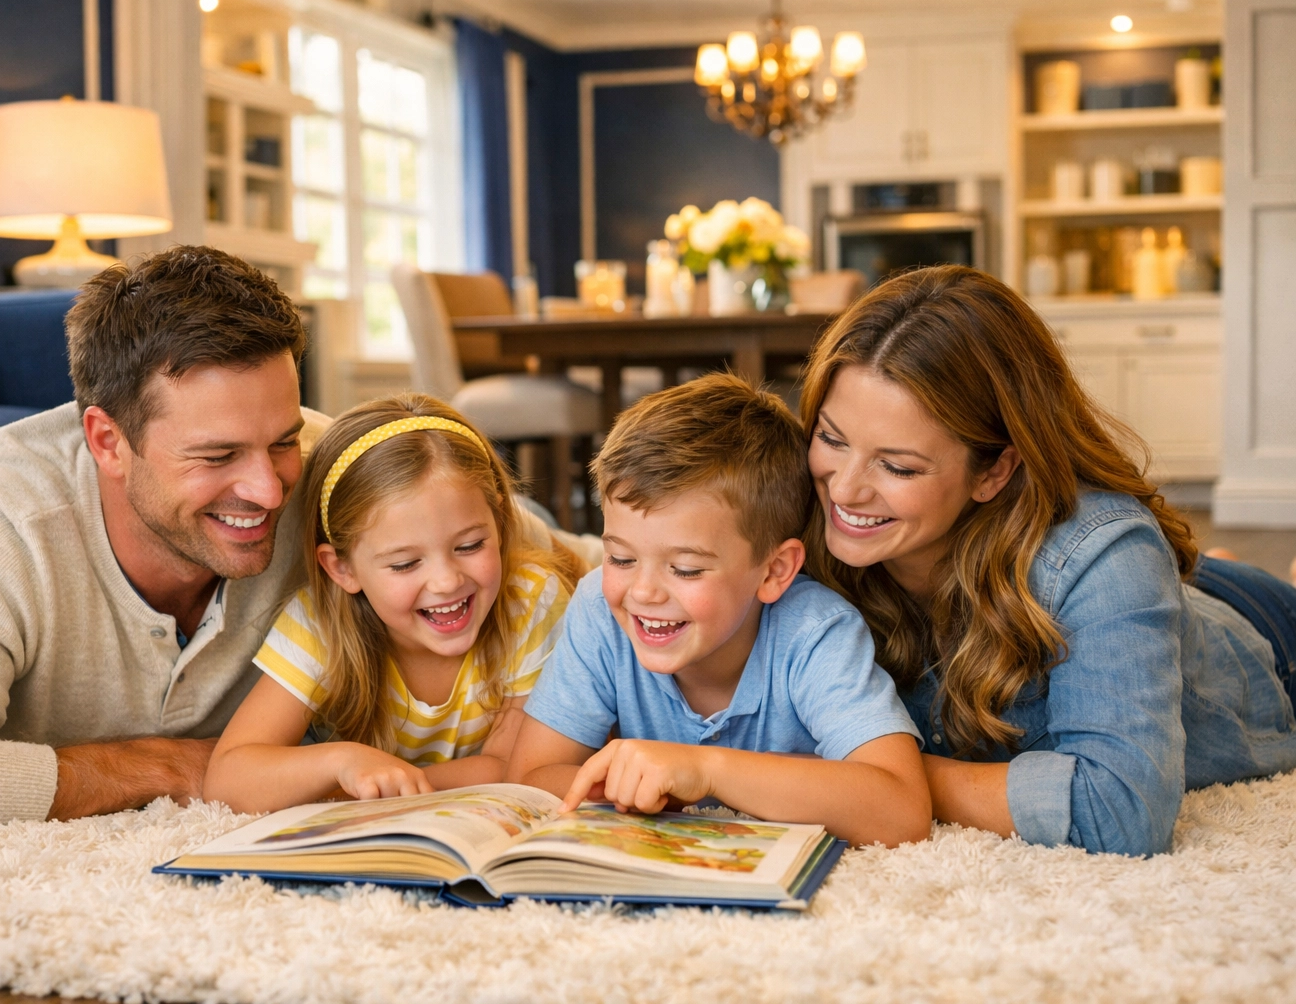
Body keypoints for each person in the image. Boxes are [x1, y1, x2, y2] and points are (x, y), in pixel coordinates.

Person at [0, 247, 327, 836]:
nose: (268, 490)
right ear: (107, 442)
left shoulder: (339, 480)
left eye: (283, 441)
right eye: (218, 455)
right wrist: (171, 766)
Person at [800, 264, 1296, 857]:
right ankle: (1210, 566)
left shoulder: (1103, 556)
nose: (844, 489)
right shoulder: (800, 520)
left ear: (994, 470)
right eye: (832, 438)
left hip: (1267, 637)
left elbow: (1120, 812)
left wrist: (883, 783)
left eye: (898, 467)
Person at [507, 374, 931, 848]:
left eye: (686, 569)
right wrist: (648, 787)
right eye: (621, 559)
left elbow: (902, 811)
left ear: (774, 571)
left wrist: (704, 770)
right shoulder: (599, 611)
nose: (643, 592)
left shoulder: (816, 633)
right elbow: (529, 776)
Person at [203, 394, 583, 813]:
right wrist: (343, 762)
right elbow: (228, 779)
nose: (446, 581)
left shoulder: (530, 601)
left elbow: (513, 768)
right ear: (342, 569)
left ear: (500, 524)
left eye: (470, 545)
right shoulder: (318, 624)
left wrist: (386, 785)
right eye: (405, 564)